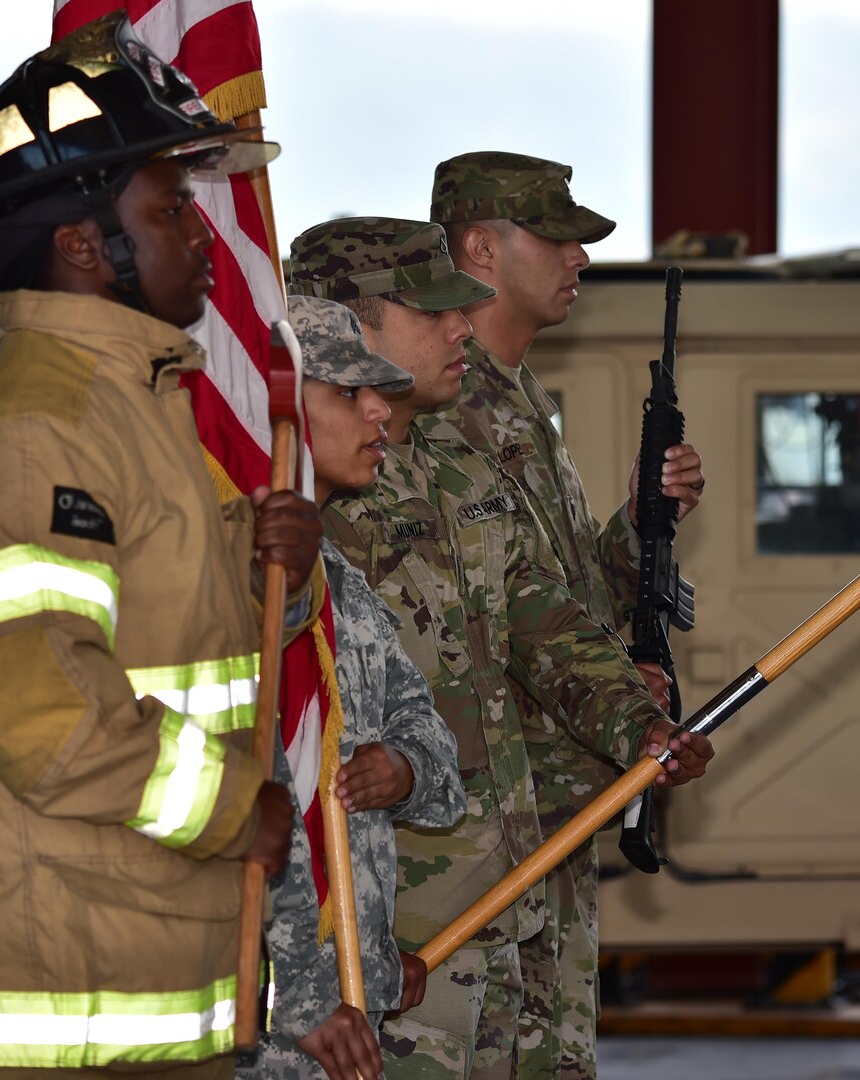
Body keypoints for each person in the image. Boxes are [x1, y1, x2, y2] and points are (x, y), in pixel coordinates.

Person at [0, 17, 324, 1078]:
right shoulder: (39, 428)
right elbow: (40, 707)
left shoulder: (129, 409)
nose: (202, 234)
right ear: (86, 247)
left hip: (140, 979)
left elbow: (203, 628)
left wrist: (292, 570)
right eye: (172, 207)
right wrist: (239, 808)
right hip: (71, 1010)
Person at [289, 217, 714, 1079]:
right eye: (432, 312)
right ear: (347, 326)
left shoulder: (463, 469)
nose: (460, 328)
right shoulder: (304, 493)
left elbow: (537, 615)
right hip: (395, 893)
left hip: (510, 870)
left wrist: (638, 726)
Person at [426, 151, 706, 1079]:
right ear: (479, 246)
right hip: (487, 815)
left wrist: (641, 527)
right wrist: (627, 706)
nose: (576, 259)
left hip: (547, 805)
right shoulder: (441, 406)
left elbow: (563, 587)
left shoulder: (516, 399)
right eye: (556, 238)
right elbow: (504, 613)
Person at [240, 295, 467, 1080]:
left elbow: (438, 759)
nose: (379, 411)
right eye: (344, 393)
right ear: (269, 408)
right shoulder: (235, 585)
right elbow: (253, 812)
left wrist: (401, 769)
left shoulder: (342, 586)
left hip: (338, 1011)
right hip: (267, 1028)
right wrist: (304, 997)